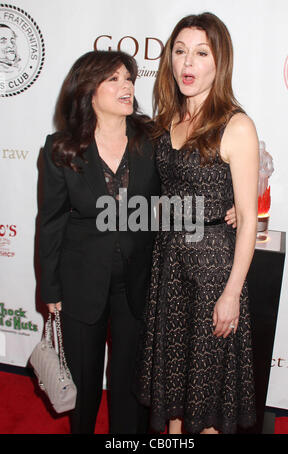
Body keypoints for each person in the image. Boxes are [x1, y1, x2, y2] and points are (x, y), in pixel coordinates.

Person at [38, 49, 237, 434]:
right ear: (88, 91)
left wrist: (232, 205)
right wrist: (50, 286)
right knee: (82, 382)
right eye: (113, 79)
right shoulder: (61, 148)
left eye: (128, 78)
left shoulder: (153, 138)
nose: (126, 85)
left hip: (142, 281)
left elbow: (185, 185)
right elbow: (51, 222)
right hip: (81, 281)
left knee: (132, 386)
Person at [135, 12, 259, 435]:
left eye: (201, 53)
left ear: (219, 62)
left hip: (212, 275)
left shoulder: (235, 125)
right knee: (172, 401)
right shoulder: (166, 118)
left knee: (204, 407)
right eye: (180, 51)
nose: (188, 63)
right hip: (168, 269)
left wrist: (232, 293)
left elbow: (247, 221)